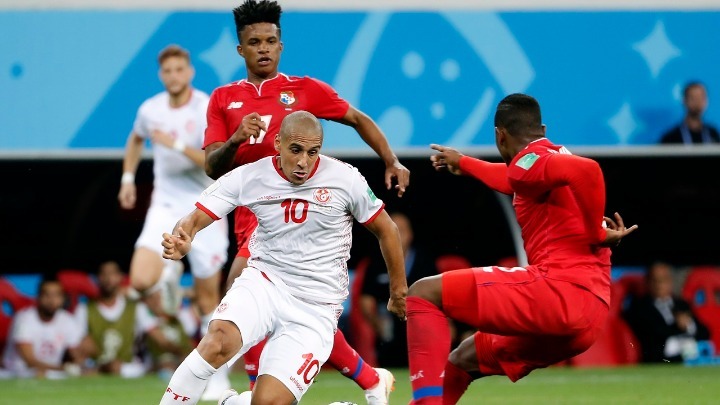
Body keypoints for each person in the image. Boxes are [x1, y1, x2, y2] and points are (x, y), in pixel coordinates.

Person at [202, 1, 410, 402]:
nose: (264, 48)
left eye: (271, 41)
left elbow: (357, 118)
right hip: (249, 217)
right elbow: (212, 167)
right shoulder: (224, 99)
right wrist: (236, 139)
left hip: (297, 220)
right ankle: (370, 379)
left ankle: (254, 393)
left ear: (281, 46)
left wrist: (391, 159)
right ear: (240, 49)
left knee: (243, 290)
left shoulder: (304, 90)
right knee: (295, 312)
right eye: (254, 42)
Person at [157, 111, 407, 405]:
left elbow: (388, 230)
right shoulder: (252, 175)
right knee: (217, 342)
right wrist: (183, 237)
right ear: (278, 143)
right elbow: (195, 217)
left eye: (312, 152)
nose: (303, 161)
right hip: (264, 283)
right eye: (296, 150)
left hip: (316, 306)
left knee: (267, 402)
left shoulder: (346, 179)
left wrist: (398, 291)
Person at [405, 93, 638, 404]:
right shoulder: (544, 158)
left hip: (558, 293)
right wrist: (465, 163)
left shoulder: (533, 161)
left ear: (499, 135)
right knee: (464, 358)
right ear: (542, 129)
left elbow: (589, 170)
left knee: (422, 293)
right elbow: (514, 179)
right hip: (589, 317)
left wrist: (595, 231)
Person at [117, 45, 231, 399]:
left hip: (206, 206)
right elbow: (136, 138)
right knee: (139, 279)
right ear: (161, 75)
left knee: (208, 298)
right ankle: (168, 273)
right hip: (165, 205)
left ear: (190, 72)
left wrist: (176, 144)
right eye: (168, 71)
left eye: (180, 69)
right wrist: (128, 179)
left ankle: (219, 377)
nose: (174, 76)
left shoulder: (205, 107)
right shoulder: (150, 110)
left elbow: (214, 163)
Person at [75, 261, 189, 377]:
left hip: (128, 367)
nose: (108, 279)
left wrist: (184, 354)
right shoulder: (84, 309)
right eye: (104, 274)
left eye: (112, 274)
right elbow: (80, 345)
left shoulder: (136, 308)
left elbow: (160, 339)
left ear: (120, 277)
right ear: (98, 278)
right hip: (97, 366)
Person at [360, 212, 438, 367]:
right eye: (391, 229)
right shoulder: (376, 262)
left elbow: (439, 294)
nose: (395, 235)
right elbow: (365, 299)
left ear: (410, 235)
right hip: (388, 334)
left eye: (400, 231)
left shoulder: (424, 261)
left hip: (421, 328)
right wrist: (377, 322)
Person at [623, 262, 710, 363]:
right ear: (647, 282)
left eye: (663, 280)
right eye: (655, 280)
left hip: (691, 354)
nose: (659, 285)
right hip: (661, 359)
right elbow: (652, 335)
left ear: (670, 281)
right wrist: (678, 326)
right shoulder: (639, 307)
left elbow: (705, 332)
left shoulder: (682, 304)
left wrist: (689, 325)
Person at [2, 277, 84, 378]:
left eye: (56, 295)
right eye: (47, 295)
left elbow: (76, 352)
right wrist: (63, 368)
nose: (52, 300)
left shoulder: (67, 320)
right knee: (38, 373)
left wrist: (76, 363)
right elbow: (30, 361)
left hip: (52, 373)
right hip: (16, 373)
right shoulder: (24, 319)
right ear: (38, 297)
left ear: (63, 298)